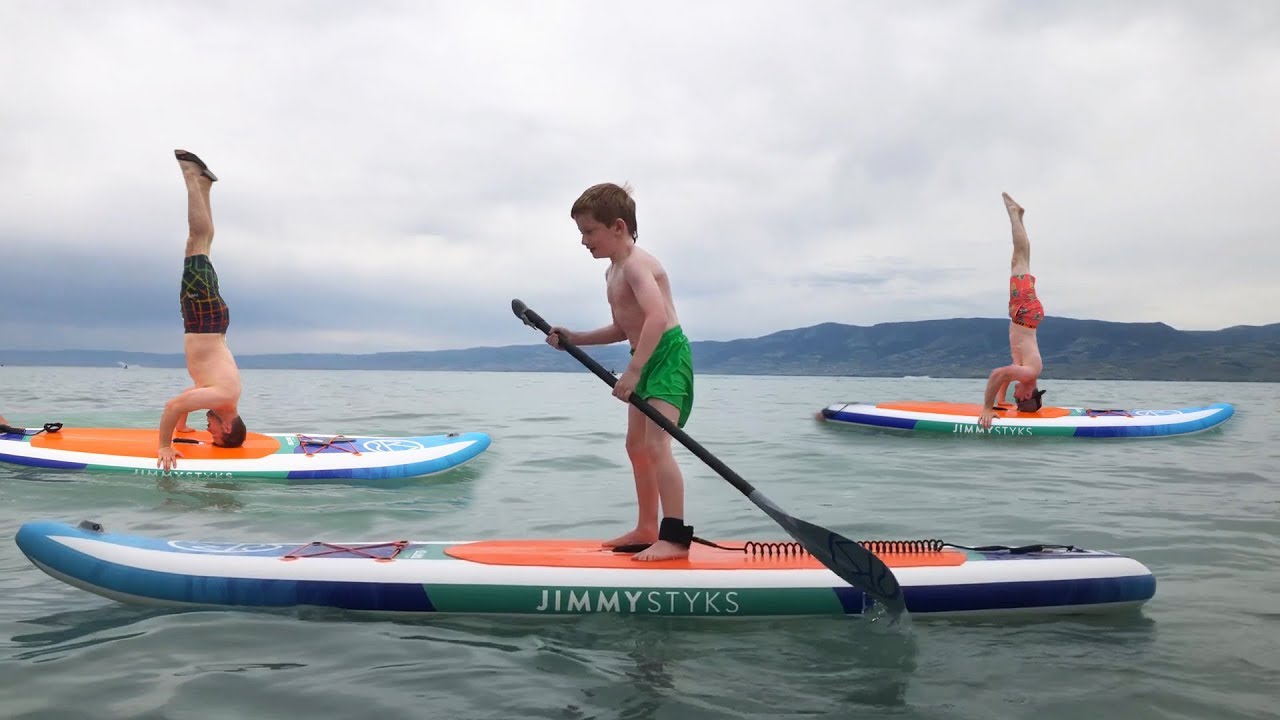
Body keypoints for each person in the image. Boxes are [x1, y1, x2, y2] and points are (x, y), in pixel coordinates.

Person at [546, 183, 695, 561]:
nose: (583, 241)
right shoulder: (612, 272)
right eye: (580, 233)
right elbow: (622, 328)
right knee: (636, 446)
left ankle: (675, 539)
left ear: (617, 226)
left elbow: (658, 317)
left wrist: (633, 371)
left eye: (589, 232)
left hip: (667, 358)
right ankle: (647, 527)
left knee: (658, 445)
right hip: (643, 354)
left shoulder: (637, 266)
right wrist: (575, 338)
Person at [157, 150, 246, 471]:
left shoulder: (224, 396)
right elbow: (174, 404)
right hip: (202, 319)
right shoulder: (220, 396)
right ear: (226, 427)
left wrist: (182, 427)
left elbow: (189, 396)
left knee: (203, 247)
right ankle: (192, 176)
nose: (208, 433)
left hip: (211, 321)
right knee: (196, 241)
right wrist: (165, 446)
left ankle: (204, 185)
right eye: (214, 435)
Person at [978, 193, 1046, 430]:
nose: (1016, 395)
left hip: (1027, 314)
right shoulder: (1028, 373)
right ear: (1027, 395)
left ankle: (1018, 217)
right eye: (1018, 399)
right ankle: (1014, 214)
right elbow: (998, 374)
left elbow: (1006, 376)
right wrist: (986, 409)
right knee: (1019, 259)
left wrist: (1000, 401)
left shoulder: (1028, 373)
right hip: (1024, 311)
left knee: (1022, 260)